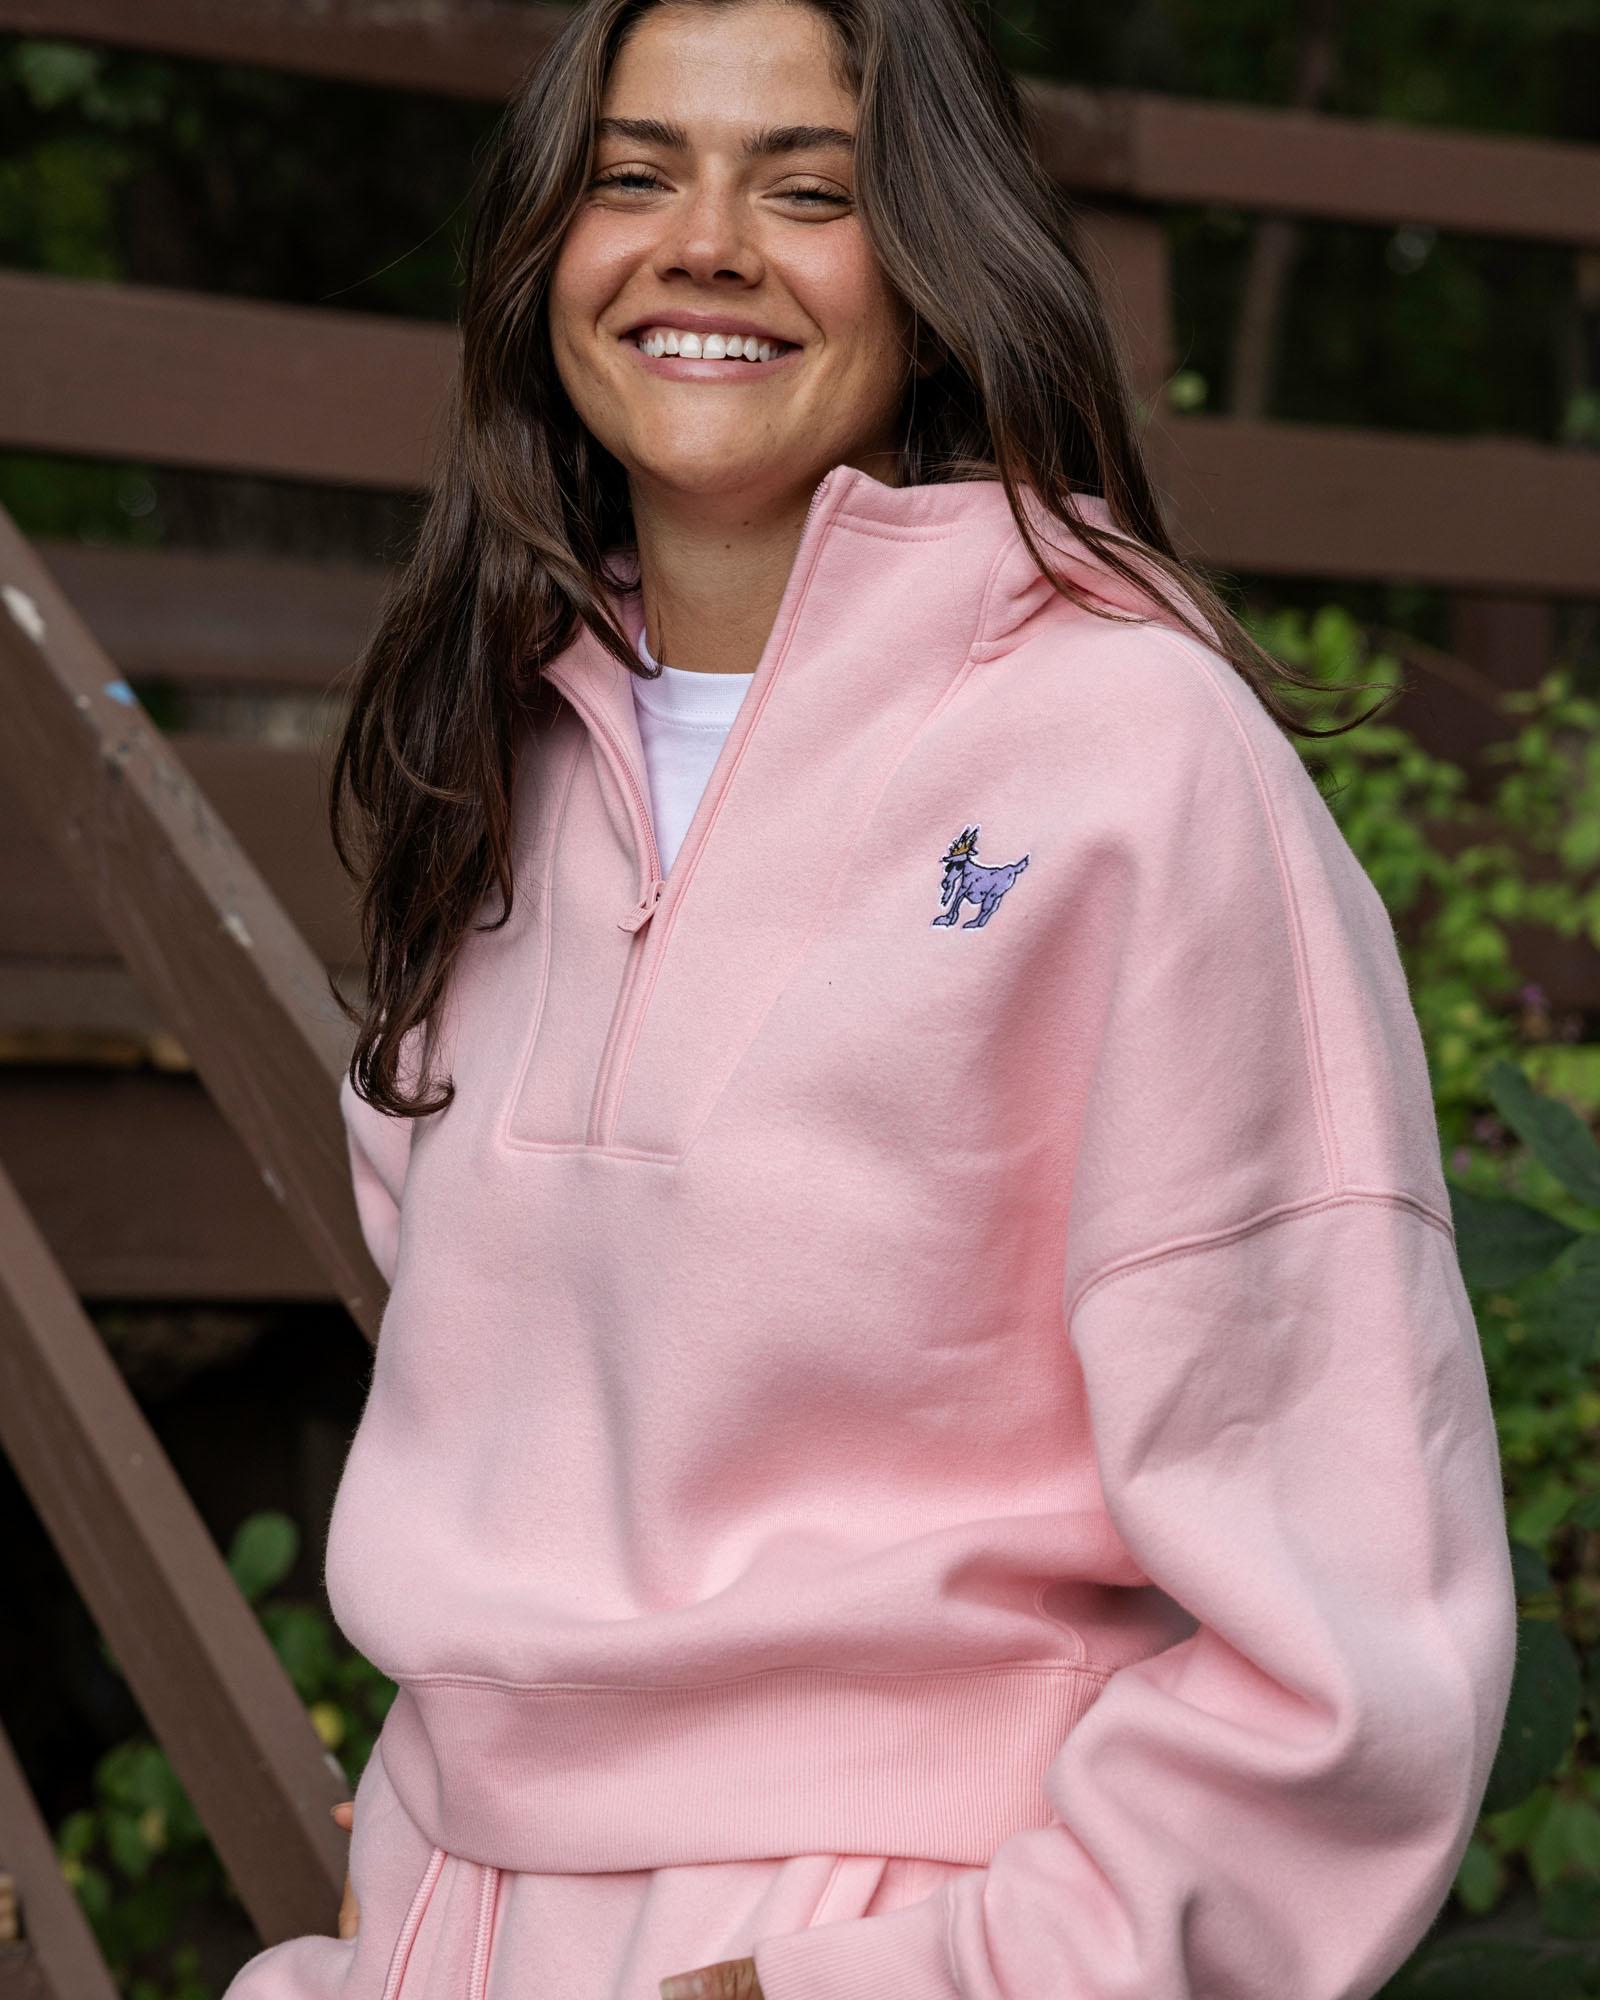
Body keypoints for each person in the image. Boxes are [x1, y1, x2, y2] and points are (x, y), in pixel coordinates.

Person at [221, 0, 1518, 1995]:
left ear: (929, 266)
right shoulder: (482, 776)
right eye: (631, 171)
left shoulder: (1132, 753)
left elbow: (1340, 1643)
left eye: (803, 186)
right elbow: (509, 1486)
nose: (704, 240)